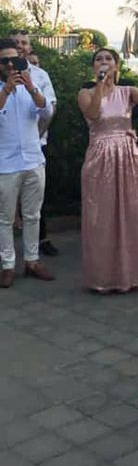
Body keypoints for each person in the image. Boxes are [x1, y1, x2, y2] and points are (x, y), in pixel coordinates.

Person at [78, 48, 138, 293]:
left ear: (116, 65)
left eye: (108, 59)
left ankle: (129, 275)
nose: (104, 62)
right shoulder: (86, 93)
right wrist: (100, 88)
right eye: (99, 59)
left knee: (128, 212)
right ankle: (102, 277)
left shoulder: (128, 91)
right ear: (94, 67)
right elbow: (93, 114)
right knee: (100, 215)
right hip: (100, 156)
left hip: (126, 156)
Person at [0, 37, 54, 288]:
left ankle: (32, 260)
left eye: (16, 60)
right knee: (5, 218)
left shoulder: (35, 81)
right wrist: (6, 91)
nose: (11, 65)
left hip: (33, 159)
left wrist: (31, 88)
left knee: (33, 215)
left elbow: (46, 112)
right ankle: (8, 264)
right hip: (5, 164)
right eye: (5, 61)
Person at [11, 30, 58, 256]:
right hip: (6, 149)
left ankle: (40, 244)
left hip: (36, 145)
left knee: (36, 201)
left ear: (29, 47)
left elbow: (49, 109)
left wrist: (36, 136)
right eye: (15, 42)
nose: (20, 46)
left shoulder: (41, 75)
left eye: (24, 42)